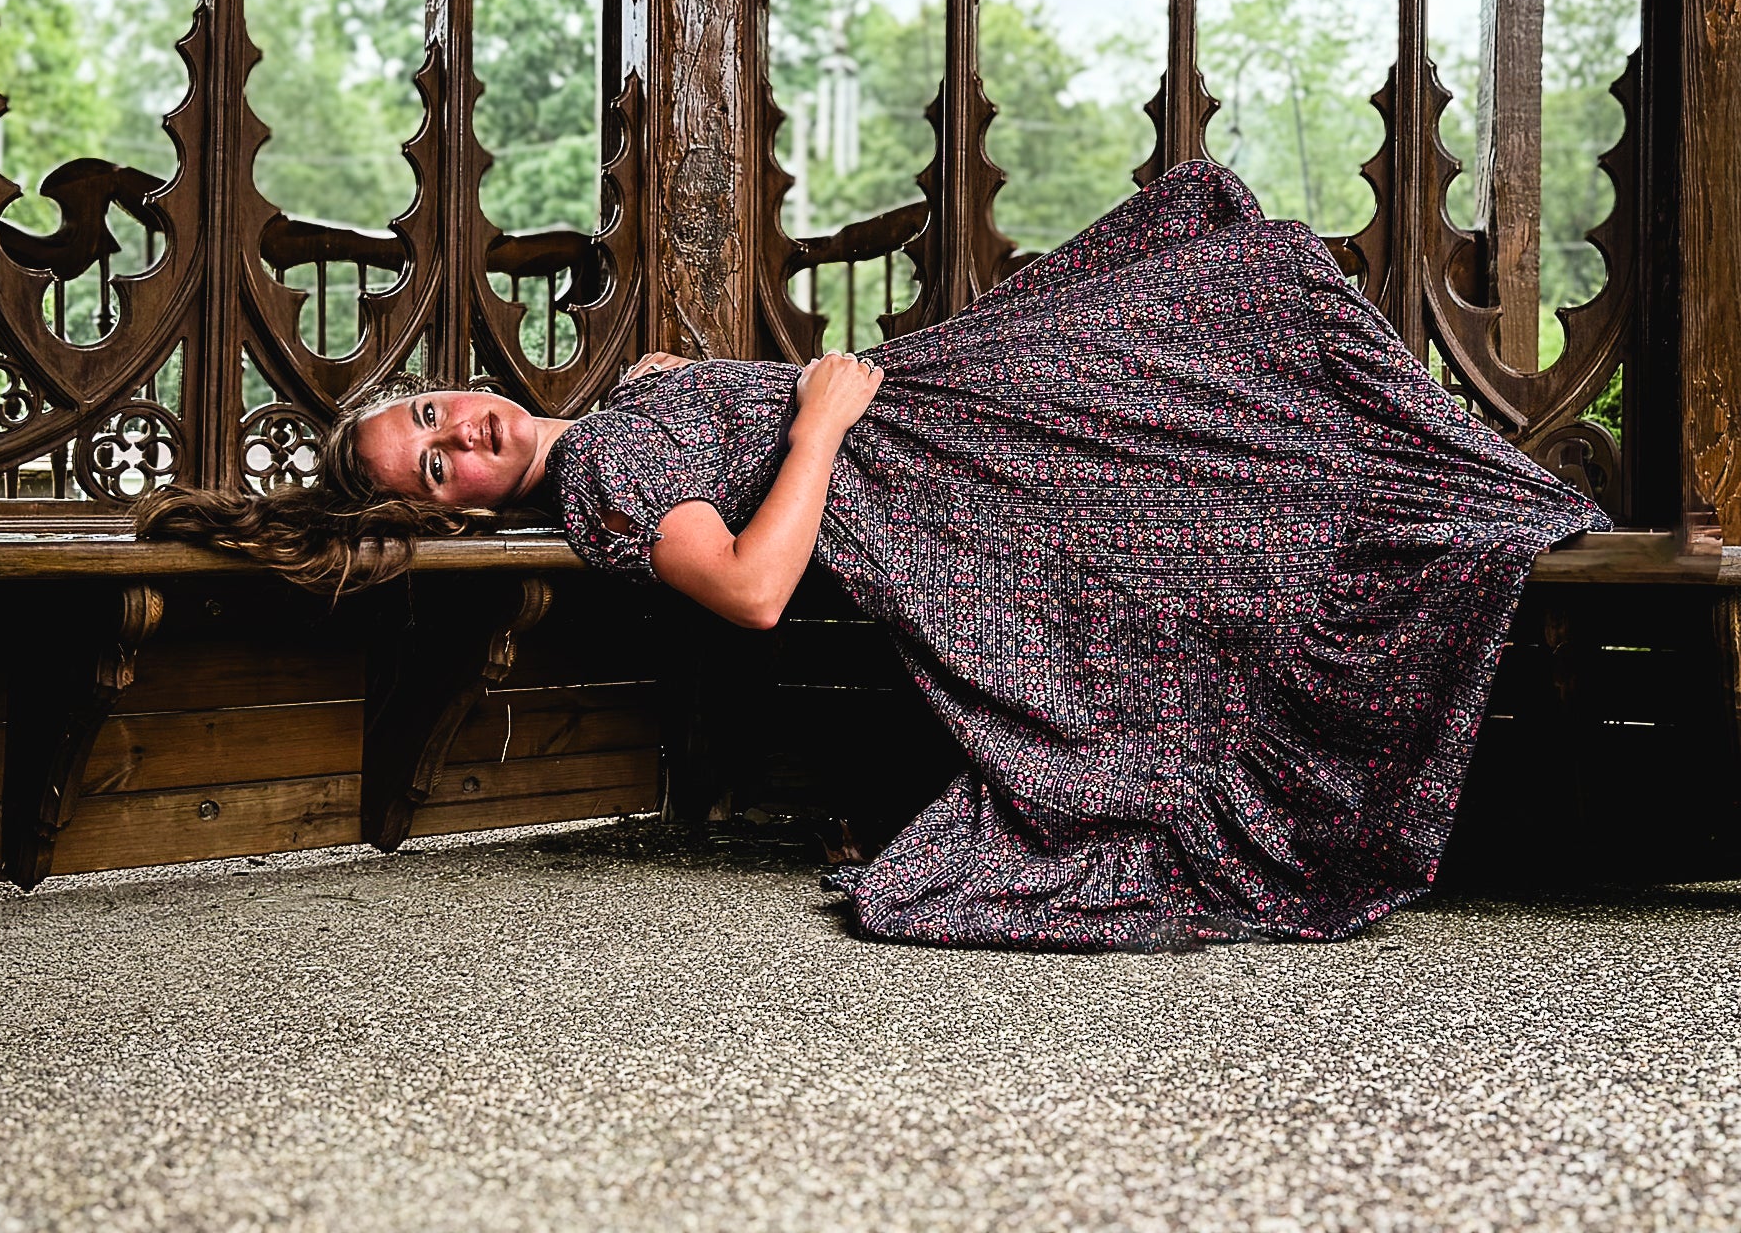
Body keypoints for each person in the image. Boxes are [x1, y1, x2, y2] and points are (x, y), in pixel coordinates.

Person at [140, 161, 1604, 950]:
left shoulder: (605, 428)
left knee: (1210, 281)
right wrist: (822, 420)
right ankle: (1466, 507)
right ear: (455, 511)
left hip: (925, 423)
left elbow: (691, 438)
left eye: (434, 414)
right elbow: (751, 588)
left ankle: (1453, 499)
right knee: (1229, 313)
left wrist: (681, 382)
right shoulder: (594, 478)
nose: (462, 436)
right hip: (912, 459)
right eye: (439, 466)